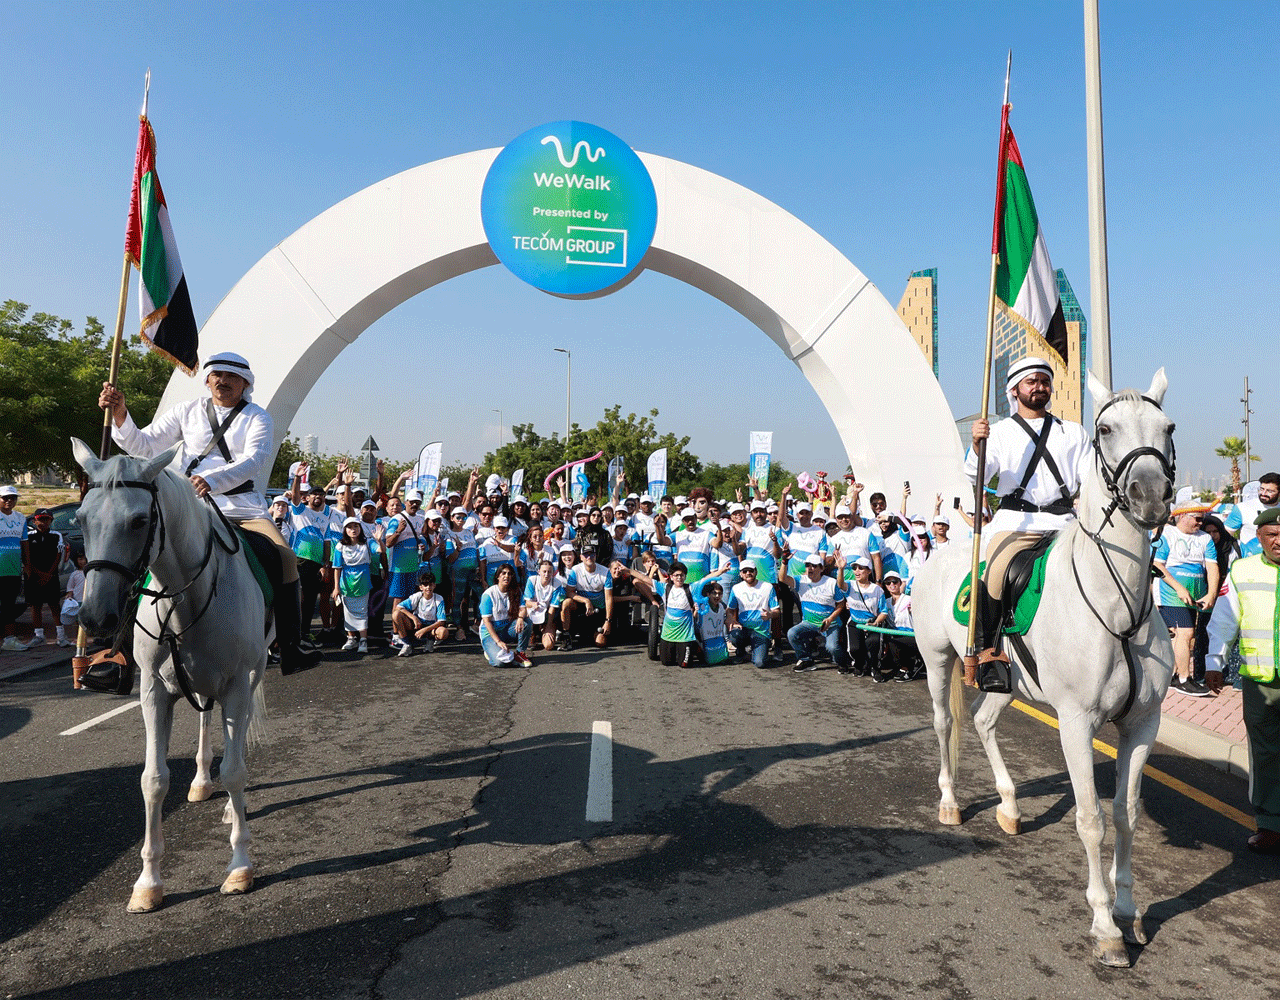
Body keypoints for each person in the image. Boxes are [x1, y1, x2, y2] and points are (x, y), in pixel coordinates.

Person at [84, 353, 320, 691]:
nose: (223, 381)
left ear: (245, 383)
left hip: (240, 507)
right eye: (217, 375)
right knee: (140, 555)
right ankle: (117, 654)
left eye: (231, 376)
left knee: (285, 558)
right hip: (187, 508)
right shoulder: (186, 411)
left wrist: (213, 480)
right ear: (207, 380)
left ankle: (292, 645)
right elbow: (145, 447)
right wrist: (121, 414)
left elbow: (254, 460)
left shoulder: (257, 417)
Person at [965, 355, 1092, 687]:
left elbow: (1090, 478)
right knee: (994, 574)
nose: (1039, 387)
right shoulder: (998, 432)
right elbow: (976, 476)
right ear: (1014, 390)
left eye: (1044, 381)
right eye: (1031, 381)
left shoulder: (1073, 432)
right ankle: (989, 653)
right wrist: (977, 445)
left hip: (1065, 523)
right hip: (1017, 523)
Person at [1206, 506, 1280, 854]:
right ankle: (1270, 824)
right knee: (1264, 753)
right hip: (1260, 680)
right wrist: (1214, 662)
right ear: (1259, 537)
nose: (1279, 541)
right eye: (1272, 535)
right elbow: (1225, 619)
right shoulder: (1242, 570)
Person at [1155, 505, 1219, 696]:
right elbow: (1157, 564)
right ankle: (1184, 679)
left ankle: (1173, 675)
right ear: (1182, 516)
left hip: (1194, 593)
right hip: (1170, 592)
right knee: (1186, 632)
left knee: (1180, 635)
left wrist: (1212, 593)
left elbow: (1212, 567)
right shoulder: (1167, 534)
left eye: (1202, 518)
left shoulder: (1205, 538)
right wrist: (1179, 588)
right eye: (1197, 518)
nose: (1201, 522)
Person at [785, 552, 849, 673]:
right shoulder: (800, 580)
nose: (810, 568)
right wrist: (784, 562)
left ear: (822, 568)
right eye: (808, 565)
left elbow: (841, 605)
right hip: (809, 623)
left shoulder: (831, 583)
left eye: (814, 566)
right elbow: (782, 578)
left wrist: (830, 619)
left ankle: (842, 662)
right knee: (792, 633)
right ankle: (806, 660)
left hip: (830, 624)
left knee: (832, 647)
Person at [23, 507, 69, 648]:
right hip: (33, 576)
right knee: (35, 605)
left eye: (47, 519)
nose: (44, 522)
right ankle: (39, 635)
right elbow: (25, 557)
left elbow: (58, 555)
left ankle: (61, 636)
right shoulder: (28, 536)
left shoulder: (56, 535)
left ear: (51, 520)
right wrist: (38, 573)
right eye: (40, 519)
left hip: (51, 576)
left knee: (54, 605)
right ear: (34, 521)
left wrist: (49, 574)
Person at [331, 517, 378, 653]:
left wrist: (379, 540)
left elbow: (380, 550)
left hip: (363, 582)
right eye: (350, 527)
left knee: (362, 612)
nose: (353, 530)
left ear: (360, 528)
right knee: (348, 612)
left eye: (356, 526)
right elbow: (337, 567)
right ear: (345, 530)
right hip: (346, 584)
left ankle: (363, 640)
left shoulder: (368, 542)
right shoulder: (340, 545)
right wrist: (336, 587)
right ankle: (351, 638)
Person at [844, 556, 892, 679]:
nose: (857, 571)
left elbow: (884, 612)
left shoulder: (877, 590)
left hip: (872, 623)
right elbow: (840, 585)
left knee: (873, 643)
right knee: (854, 649)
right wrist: (840, 569)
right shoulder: (850, 585)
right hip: (855, 622)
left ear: (869, 571)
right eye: (855, 568)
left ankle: (875, 667)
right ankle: (860, 664)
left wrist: (875, 623)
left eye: (861, 568)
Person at [727, 560, 779, 669]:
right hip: (743, 629)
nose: (748, 573)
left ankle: (760, 648)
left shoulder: (767, 587)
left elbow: (777, 611)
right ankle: (741, 652)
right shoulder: (736, 588)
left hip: (761, 631)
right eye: (744, 571)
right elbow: (730, 609)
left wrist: (770, 614)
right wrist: (730, 618)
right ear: (740, 574)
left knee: (760, 663)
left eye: (751, 570)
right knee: (734, 635)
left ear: (756, 572)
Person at [478, 563, 531, 667]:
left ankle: (519, 653)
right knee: (500, 663)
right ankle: (490, 651)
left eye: (509, 574)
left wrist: (520, 618)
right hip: (490, 634)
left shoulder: (516, 591)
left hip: (506, 630)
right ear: (498, 576)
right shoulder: (488, 594)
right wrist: (498, 641)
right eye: (503, 573)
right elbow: (487, 622)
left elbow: (523, 609)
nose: (507, 576)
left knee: (527, 622)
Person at [562, 545, 615, 649]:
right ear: (581, 557)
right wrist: (586, 601)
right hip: (582, 607)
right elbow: (569, 592)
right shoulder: (575, 570)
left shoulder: (605, 572)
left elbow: (609, 599)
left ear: (596, 556)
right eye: (586, 555)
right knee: (566, 603)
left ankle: (592, 634)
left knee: (601, 642)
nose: (589, 557)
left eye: (592, 554)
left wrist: (608, 620)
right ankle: (566, 636)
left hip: (599, 610)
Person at [391, 572, 450, 656]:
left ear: (434, 586)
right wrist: (414, 618)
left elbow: (441, 621)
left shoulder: (439, 599)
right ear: (421, 587)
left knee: (444, 632)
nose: (428, 587)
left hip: (430, 628)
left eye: (430, 585)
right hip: (417, 626)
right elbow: (398, 607)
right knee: (396, 614)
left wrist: (424, 630)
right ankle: (407, 644)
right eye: (425, 585)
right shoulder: (417, 596)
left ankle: (430, 640)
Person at [0, 485, 28, 652]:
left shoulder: (20, 518)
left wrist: (27, 565)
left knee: (9, 605)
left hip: (13, 569)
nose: (9, 501)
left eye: (13, 497)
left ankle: (9, 640)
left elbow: (24, 543)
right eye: (5, 497)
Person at [522, 558, 565, 653]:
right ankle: (532, 632)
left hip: (547, 613)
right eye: (544, 571)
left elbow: (553, 607)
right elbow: (527, 602)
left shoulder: (557, 583)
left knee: (549, 645)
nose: (546, 574)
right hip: (533, 612)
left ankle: (546, 628)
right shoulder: (532, 580)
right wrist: (533, 604)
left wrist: (549, 626)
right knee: (524, 610)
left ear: (553, 573)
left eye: (549, 572)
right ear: (539, 571)